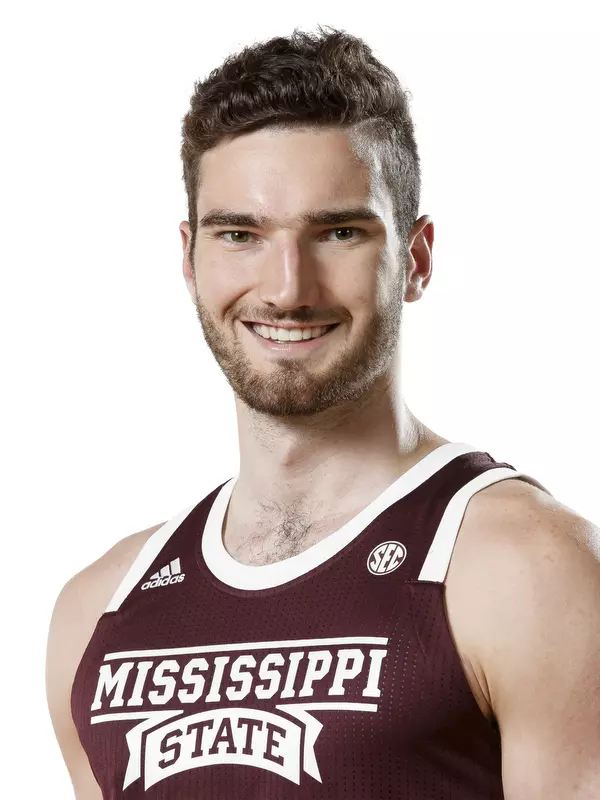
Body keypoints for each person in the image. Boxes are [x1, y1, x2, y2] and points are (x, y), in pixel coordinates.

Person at [45, 24, 600, 800]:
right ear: (189, 258)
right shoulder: (98, 612)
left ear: (416, 258)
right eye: (240, 234)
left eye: (338, 232)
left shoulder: (524, 569)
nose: (286, 287)